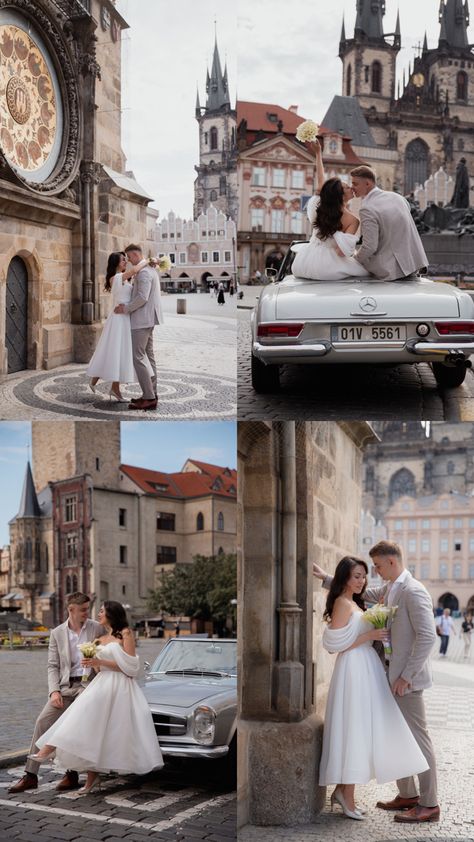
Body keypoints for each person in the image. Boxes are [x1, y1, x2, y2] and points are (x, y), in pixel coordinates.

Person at [313, 540, 440, 824]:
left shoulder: (413, 590)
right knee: (396, 734)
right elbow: (357, 592)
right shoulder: (390, 588)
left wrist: (406, 676)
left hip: (406, 681)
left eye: (379, 567)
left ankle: (429, 804)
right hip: (385, 676)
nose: (376, 573)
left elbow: (428, 637)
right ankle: (407, 795)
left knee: (418, 740)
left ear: (391, 562)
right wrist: (327, 579)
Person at [30, 601, 163, 794]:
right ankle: (57, 756)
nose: (98, 614)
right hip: (102, 683)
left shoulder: (125, 633)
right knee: (89, 725)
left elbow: (132, 668)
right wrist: (92, 662)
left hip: (120, 687)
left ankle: (49, 750)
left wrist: (100, 661)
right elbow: (100, 668)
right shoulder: (100, 639)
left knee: (93, 725)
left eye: (101, 611)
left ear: (111, 613)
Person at [8, 592, 103, 794]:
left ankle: (71, 773)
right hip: (66, 686)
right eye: (84, 609)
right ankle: (31, 775)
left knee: (72, 723)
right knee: (43, 721)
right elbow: (53, 665)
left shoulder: (96, 628)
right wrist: (54, 691)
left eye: (88, 608)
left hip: (89, 687)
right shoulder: (57, 633)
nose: (88, 612)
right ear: (71, 610)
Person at [291, 139, 368, 281]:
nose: (351, 187)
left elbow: (321, 181)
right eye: (347, 187)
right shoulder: (353, 220)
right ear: (340, 195)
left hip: (304, 263)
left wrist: (318, 153)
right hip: (328, 268)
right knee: (366, 271)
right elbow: (341, 253)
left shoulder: (319, 206)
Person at [87, 252, 149, 401]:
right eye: (123, 259)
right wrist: (148, 260)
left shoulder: (124, 278)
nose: (126, 261)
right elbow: (134, 270)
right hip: (119, 320)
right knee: (116, 351)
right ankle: (107, 384)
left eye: (126, 259)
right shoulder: (116, 278)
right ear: (116, 262)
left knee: (119, 352)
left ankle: (110, 386)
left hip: (125, 317)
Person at [350, 165, 428, 280]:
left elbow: (370, 247)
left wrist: (354, 261)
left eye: (355, 184)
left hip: (390, 270)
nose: (352, 187)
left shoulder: (367, 209)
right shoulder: (398, 198)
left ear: (367, 184)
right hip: (412, 264)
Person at [114, 243, 163, 412]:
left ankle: (149, 397)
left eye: (128, 258)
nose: (128, 261)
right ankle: (151, 394)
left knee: (138, 357)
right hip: (149, 319)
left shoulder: (143, 273)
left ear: (135, 255)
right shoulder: (150, 269)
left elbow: (142, 297)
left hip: (141, 320)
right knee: (149, 357)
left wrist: (125, 309)